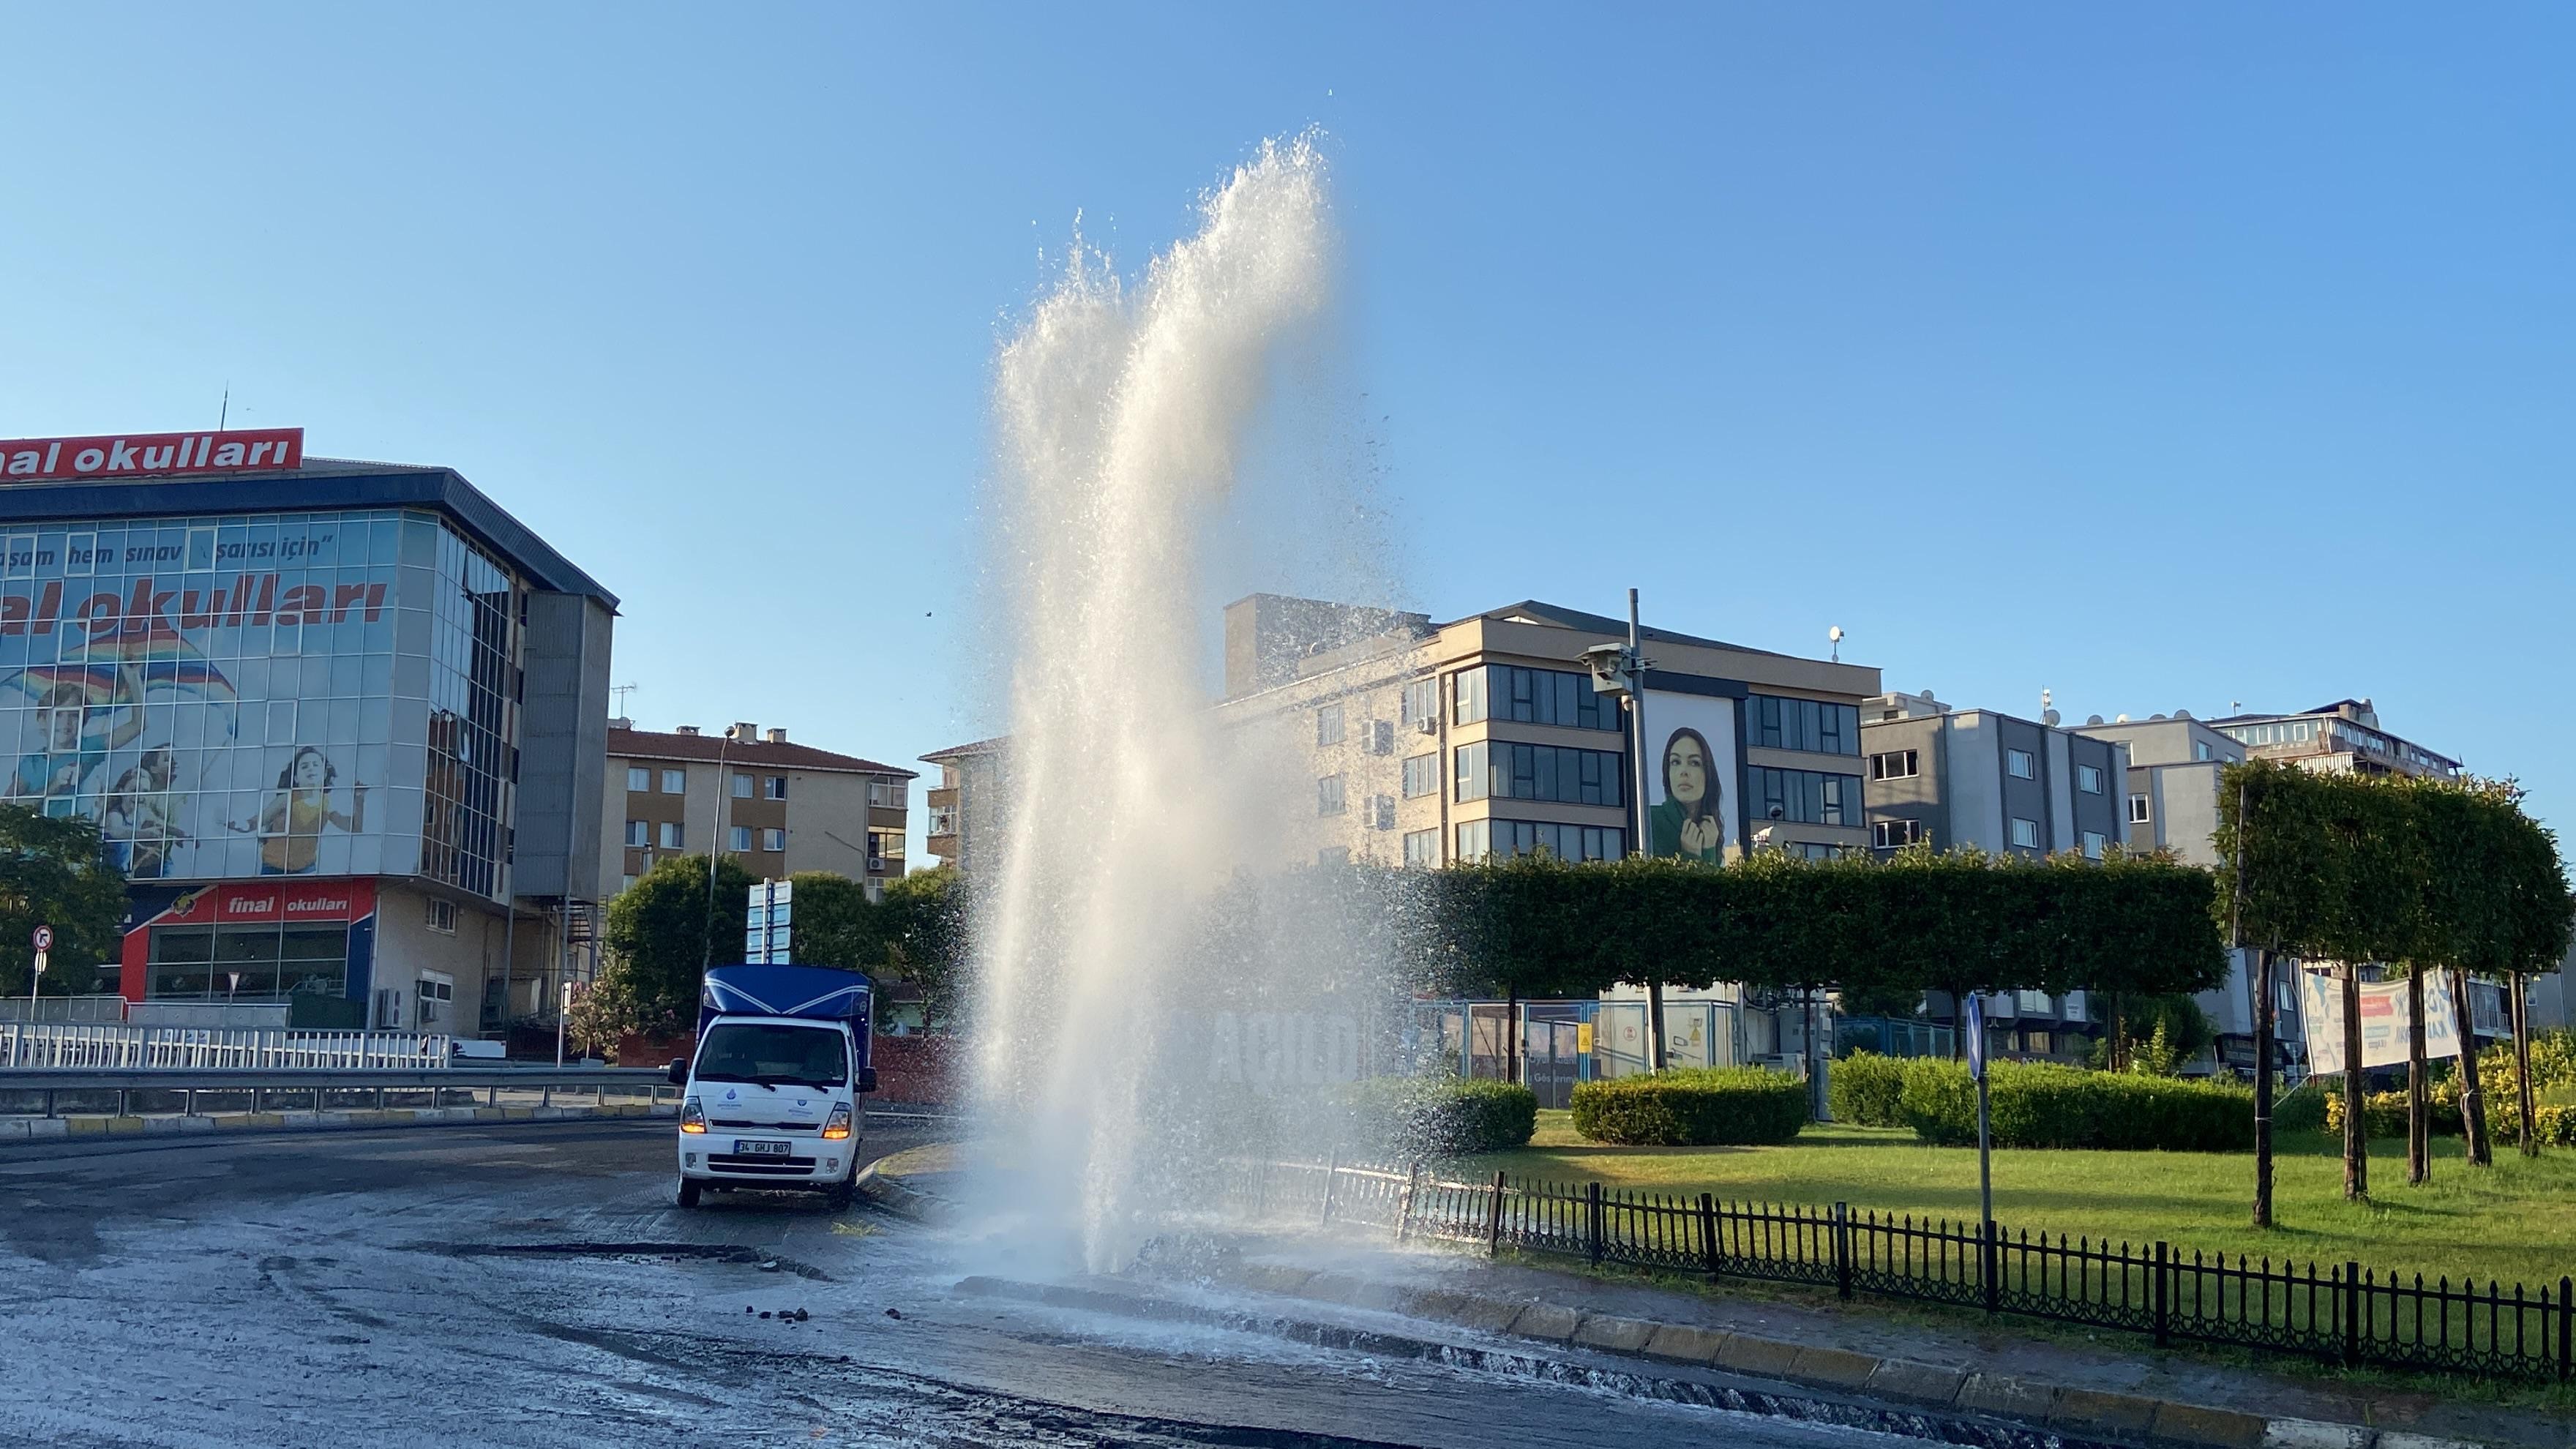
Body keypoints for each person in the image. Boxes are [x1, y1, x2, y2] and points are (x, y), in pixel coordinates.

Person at [7, 666, 145, 819]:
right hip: (37, 839)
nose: (66, 722)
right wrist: (55, 785)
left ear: (83, 722)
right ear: (42, 720)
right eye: (58, 714)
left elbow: (137, 725)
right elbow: (7, 805)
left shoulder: (89, 747)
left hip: (73, 837)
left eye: (75, 715)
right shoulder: (31, 764)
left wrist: (133, 679)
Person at [228, 745, 366, 875]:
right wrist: (241, 825)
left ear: (324, 774)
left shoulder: (326, 803)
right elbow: (261, 820)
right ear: (296, 778)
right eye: (305, 767)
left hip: (306, 869)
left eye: (315, 765)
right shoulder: (287, 799)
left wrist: (359, 800)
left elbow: (354, 828)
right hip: (274, 868)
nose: (311, 769)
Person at [102, 744, 185, 877]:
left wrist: (179, 833)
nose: (139, 797)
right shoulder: (115, 814)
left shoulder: (137, 815)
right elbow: (117, 832)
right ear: (121, 791)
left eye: (144, 792)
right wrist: (144, 834)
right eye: (134, 791)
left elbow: (154, 824)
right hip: (105, 876)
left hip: (122, 875)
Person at [1648, 726, 1726, 862]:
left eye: (1694, 763)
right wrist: (1691, 856)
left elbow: (1712, 883)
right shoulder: (1651, 820)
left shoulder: (1711, 831)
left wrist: (1708, 850)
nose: (1683, 771)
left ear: (1707, 774)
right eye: (1676, 762)